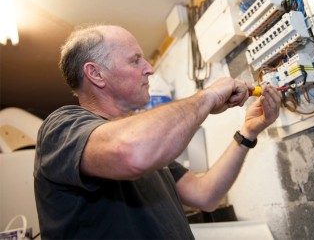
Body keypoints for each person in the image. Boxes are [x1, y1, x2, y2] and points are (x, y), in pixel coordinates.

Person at [34, 24, 281, 239]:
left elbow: (205, 195)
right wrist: (208, 95)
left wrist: (248, 132)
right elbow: (132, 153)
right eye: (135, 60)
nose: (150, 68)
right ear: (96, 74)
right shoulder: (61, 127)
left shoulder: (145, 142)